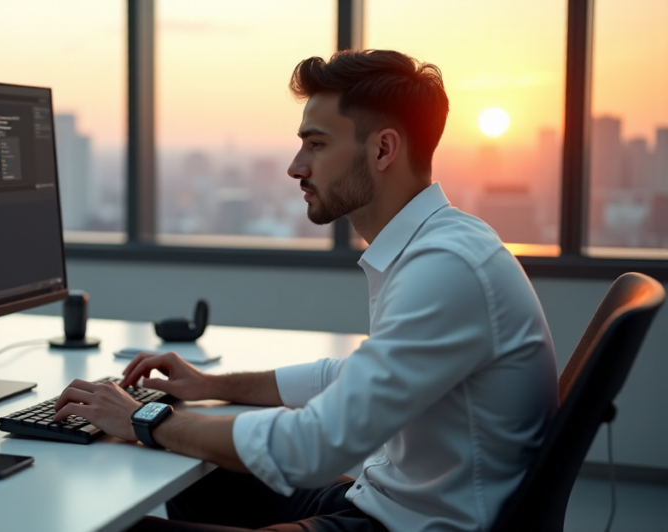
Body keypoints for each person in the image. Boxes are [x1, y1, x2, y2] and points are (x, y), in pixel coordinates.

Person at [53, 49, 558, 532]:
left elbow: (313, 446)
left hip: (401, 526)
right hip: (386, 503)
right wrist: (210, 386)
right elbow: (348, 376)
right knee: (195, 468)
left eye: (316, 144)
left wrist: (144, 418)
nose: (296, 166)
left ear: (383, 149)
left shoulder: (446, 269)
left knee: (113, 524)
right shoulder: (437, 246)